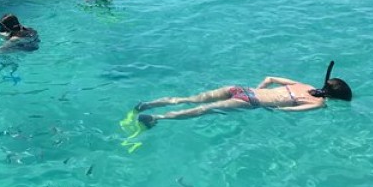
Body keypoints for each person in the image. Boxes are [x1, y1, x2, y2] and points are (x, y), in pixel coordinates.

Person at [135, 61, 352, 129]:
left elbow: (269, 78)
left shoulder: (303, 84)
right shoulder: (319, 104)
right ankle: (158, 118)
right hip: (250, 101)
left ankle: (149, 104)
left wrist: (258, 92)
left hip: (242, 89)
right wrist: (267, 107)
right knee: (204, 111)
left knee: (190, 99)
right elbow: (287, 111)